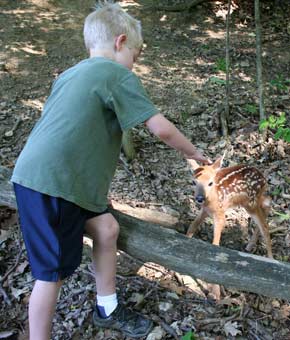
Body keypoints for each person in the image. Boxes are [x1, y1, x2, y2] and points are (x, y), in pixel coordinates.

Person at [11, 2, 211, 339]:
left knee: (106, 228)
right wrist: (194, 153)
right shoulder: (116, 73)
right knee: (50, 276)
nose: (135, 62)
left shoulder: (72, 73)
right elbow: (159, 128)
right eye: (136, 53)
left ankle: (107, 307)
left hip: (56, 182)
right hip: (54, 186)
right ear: (120, 42)